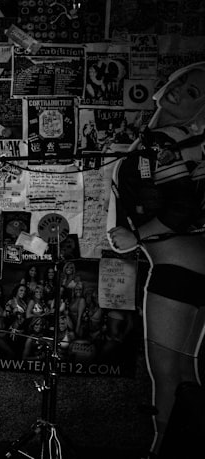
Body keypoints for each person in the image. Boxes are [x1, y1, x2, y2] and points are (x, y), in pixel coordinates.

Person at [108, 61, 205, 457]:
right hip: (190, 267)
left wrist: (136, 237)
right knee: (184, 375)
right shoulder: (173, 140)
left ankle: (161, 450)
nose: (182, 90)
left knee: (166, 376)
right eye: (184, 81)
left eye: (195, 93)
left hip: (177, 268)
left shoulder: (161, 144)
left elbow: (180, 209)